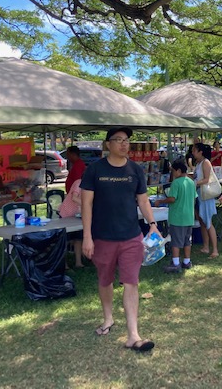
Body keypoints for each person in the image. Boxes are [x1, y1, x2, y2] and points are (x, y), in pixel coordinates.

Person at [81, 127, 160, 352]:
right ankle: (108, 318)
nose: (124, 144)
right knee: (105, 280)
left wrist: (153, 224)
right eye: (119, 140)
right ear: (108, 145)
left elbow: (143, 201)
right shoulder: (94, 170)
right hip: (103, 237)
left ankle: (133, 334)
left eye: (127, 140)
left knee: (131, 282)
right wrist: (87, 237)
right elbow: (86, 204)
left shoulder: (135, 169)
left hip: (131, 236)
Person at [154, 161, 197, 273]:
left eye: (173, 171)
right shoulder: (191, 182)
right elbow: (194, 198)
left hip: (178, 217)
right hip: (189, 216)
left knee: (176, 241)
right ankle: (187, 261)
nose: (172, 173)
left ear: (178, 171)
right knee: (187, 240)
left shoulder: (176, 183)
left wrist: (161, 201)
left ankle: (176, 263)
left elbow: (172, 198)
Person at [193, 142, 219, 258]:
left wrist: (194, 183)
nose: (193, 153)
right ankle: (206, 246)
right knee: (202, 222)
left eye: (195, 150)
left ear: (200, 152)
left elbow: (207, 179)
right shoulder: (198, 163)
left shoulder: (206, 162)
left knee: (208, 221)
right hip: (199, 194)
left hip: (206, 195)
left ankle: (215, 250)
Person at [59, 178, 84, 268]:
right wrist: (87, 204)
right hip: (66, 214)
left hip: (77, 215)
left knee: (78, 239)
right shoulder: (78, 183)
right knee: (65, 240)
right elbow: (74, 198)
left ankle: (78, 263)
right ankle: (64, 264)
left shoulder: (91, 185)